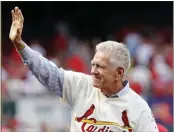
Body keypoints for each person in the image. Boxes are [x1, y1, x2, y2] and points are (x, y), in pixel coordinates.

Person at [9, 7, 159, 132]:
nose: (93, 70)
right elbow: (48, 72)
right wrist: (20, 45)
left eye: (100, 66)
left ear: (119, 73)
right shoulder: (83, 85)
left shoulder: (139, 108)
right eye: (93, 64)